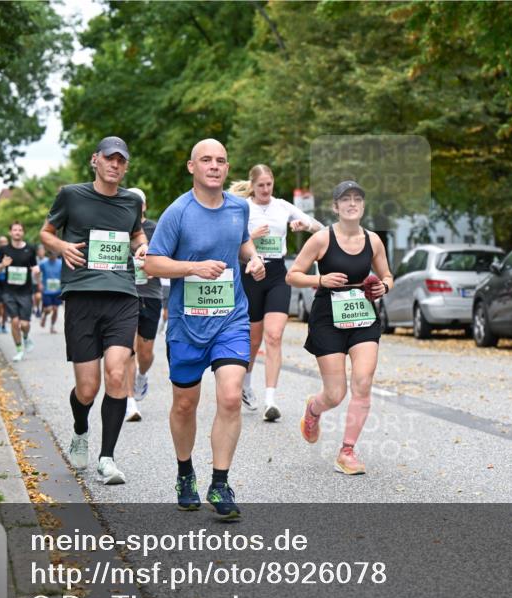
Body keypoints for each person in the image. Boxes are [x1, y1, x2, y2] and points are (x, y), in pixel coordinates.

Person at [144, 138, 266, 520]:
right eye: (206, 160)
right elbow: (152, 264)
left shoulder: (238, 207)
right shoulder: (177, 213)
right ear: (191, 167)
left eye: (221, 161)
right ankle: (185, 473)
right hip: (187, 323)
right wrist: (192, 268)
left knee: (230, 397)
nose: (214, 166)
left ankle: (220, 481)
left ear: (227, 169)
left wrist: (255, 259)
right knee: (185, 403)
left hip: (230, 318)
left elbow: (242, 243)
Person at [39, 136, 146, 486]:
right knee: (87, 388)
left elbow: (136, 236)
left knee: (117, 374)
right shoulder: (71, 194)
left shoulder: (131, 202)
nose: (115, 165)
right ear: (95, 160)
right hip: (82, 297)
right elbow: (47, 233)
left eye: (121, 160)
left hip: (122, 297)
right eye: (109, 159)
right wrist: (62, 246)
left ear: (126, 166)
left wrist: (143, 248)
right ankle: (80, 430)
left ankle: (107, 458)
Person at [286, 180, 393, 475]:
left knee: (363, 382)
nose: (352, 203)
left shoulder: (373, 241)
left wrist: (383, 286)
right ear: (335, 207)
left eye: (357, 198)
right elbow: (292, 276)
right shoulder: (321, 239)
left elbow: (387, 275)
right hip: (327, 318)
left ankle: (347, 451)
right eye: (345, 199)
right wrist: (320, 280)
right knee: (335, 393)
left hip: (362, 316)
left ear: (363, 205)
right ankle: (314, 409)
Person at [228, 165, 323, 422]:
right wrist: (250, 236)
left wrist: (305, 225)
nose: (266, 190)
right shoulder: (242, 207)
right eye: (261, 185)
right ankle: (246, 383)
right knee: (253, 340)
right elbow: (228, 242)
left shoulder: (282, 206)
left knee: (274, 335)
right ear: (252, 185)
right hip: (250, 273)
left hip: (277, 274)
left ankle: (270, 399)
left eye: (269, 184)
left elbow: (320, 228)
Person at [123, 187, 161, 423]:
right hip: (124, 295)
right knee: (127, 349)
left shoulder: (154, 229)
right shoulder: (119, 228)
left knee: (145, 354)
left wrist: (153, 268)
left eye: (139, 203)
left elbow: (166, 258)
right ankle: (130, 402)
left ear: (144, 206)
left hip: (151, 295)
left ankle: (142, 375)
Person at [0, 221, 39, 361]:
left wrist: (37, 273)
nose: (17, 232)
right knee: (14, 322)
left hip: (25, 291)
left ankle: (25, 337)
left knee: (25, 324)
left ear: (23, 233)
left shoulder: (30, 249)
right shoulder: (4, 250)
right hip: (9, 292)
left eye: (20, 230)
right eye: (15, 230)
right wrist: (2, 265)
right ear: (10, 232)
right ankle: (19, 349)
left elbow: (35, 268)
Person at [38, 250, 63, 334]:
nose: (53, 255)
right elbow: (37, 273)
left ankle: (52, 326)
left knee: (55, 309)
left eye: (55, 253)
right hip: (47, 290)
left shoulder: (61, 263)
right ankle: (44, 316)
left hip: (58, 290)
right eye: (51, 253)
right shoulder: (43, 263)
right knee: (48, 309)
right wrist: (40, 283)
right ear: (48, 254)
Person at [33, 244, 47, 318]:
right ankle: (37, 308)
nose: (41, 252)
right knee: (37, 297)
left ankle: (41, 309)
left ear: (44, 251)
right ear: (37, 252)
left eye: (42, 250)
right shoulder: (34, 259)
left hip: (45, 282)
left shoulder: (47, 260)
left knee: (43, 297)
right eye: (39, 251)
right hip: (35, 281)